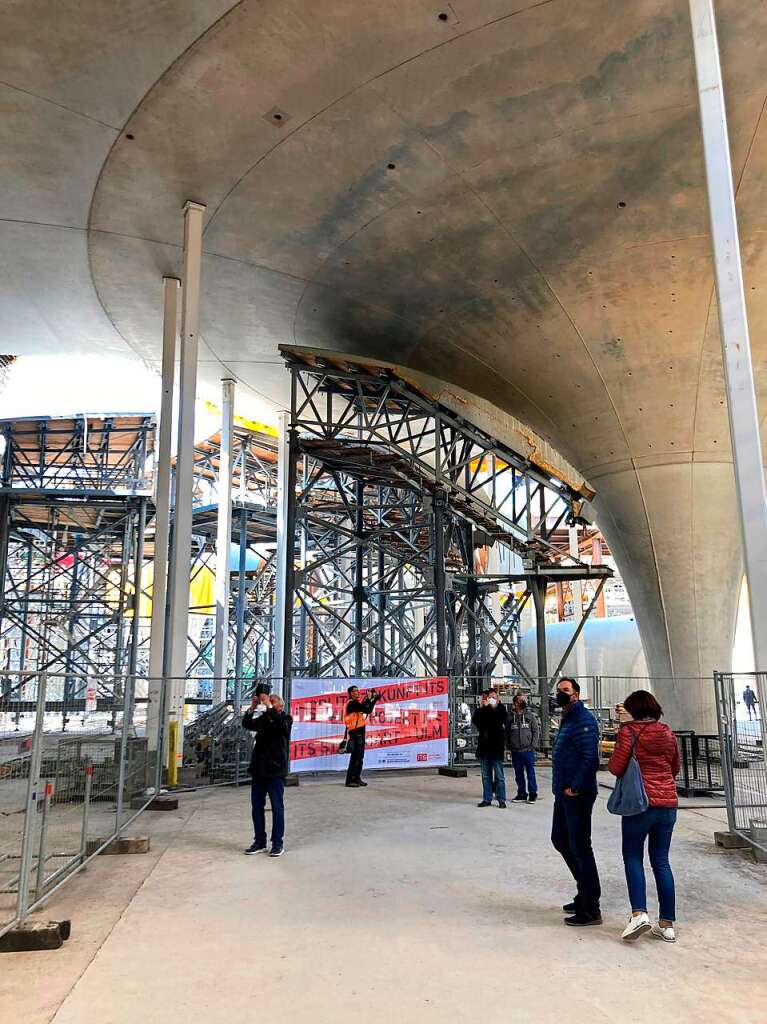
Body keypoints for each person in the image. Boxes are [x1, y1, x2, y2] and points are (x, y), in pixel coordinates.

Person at [609, 689, 680, 943]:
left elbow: (616, 767)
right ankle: (667, 924)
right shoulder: (668, 732)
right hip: (667, 805)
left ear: (635, 709)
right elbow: (675, 767)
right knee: (661, 861)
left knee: (632, 856)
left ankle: (639, 913)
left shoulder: (629, 732)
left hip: (640, 804)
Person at [550, 677, 602, 927]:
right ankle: (584, 892)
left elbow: (590, 757)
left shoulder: (583, 721)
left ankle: (591, 906)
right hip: (563, 791)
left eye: (566, 690)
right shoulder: (568, 719)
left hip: (576, 793)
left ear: (576, 694)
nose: (560, 694)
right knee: (559, 839)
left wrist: (575, 786)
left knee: (580, 846)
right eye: (559, 690)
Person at [242, 693, 293, 857]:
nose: (268, 703)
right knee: (256, 807)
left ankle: (277, 843)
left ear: (281, 706)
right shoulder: (264, 719)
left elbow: (281, 727)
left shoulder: (286, 719)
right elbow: (248, 724)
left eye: (273, 702)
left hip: (276, 771)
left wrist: (269, 707)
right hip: (259, 770)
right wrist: (252, 708)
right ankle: (259, 841)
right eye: (268, 701)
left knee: (277, 808)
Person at [472, 688, 508, 808]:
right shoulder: (482, 710)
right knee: (486, 776)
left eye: (494, 697)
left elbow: (497, 721)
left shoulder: (501, 710)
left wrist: (490, 709)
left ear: (498, 699)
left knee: (500, 776)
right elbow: (477, 722)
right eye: (489, 697)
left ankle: (501, 799)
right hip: (484, 748)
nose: (491, 699)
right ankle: (487, 798)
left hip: (496, 749)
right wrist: (482, 708)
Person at [344, 685, 381, 788]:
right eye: (355, 691)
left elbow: (367, 709)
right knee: (355, 757)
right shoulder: (351, 703)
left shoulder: (356, 703)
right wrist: (369, 698)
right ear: (351, 693)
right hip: (355, 733)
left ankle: (356, 778)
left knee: (360, 758)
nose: (357, 692)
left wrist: (374, 700)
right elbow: (364, 708)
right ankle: (350, 780)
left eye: (357, 691)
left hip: (360, 732)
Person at [505, 693, 540, 803]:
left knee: (530, 773)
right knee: (518, 774)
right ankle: (521, 794)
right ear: (515, 702)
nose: (524, 701)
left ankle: (533, 794)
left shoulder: (530, 716)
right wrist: (509, 746)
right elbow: (507, 732)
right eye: (521, 700)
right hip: (515, 751)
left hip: (528, 750)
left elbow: (535, 731)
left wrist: (532, 745)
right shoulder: (510, 717)